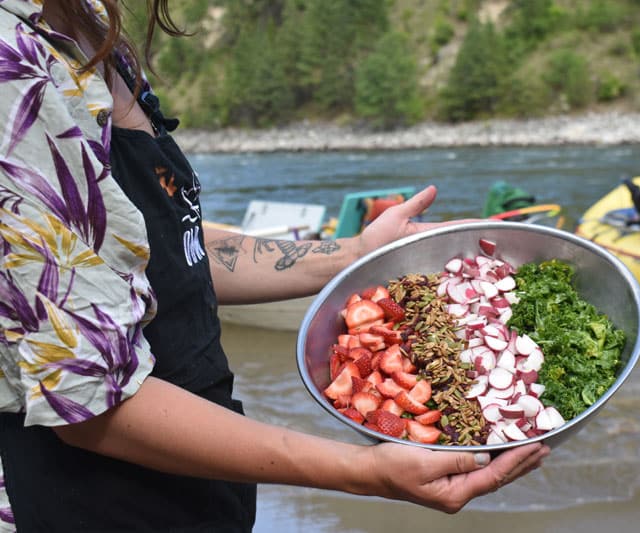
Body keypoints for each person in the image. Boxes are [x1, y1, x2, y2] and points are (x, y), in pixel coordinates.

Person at [0, 1, 550, 531]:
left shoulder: (89, 20)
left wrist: (358, 254)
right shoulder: (13, 69)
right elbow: (93, 401)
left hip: (198, 490)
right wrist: (364, 471)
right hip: (96, 504)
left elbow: (165, 247)